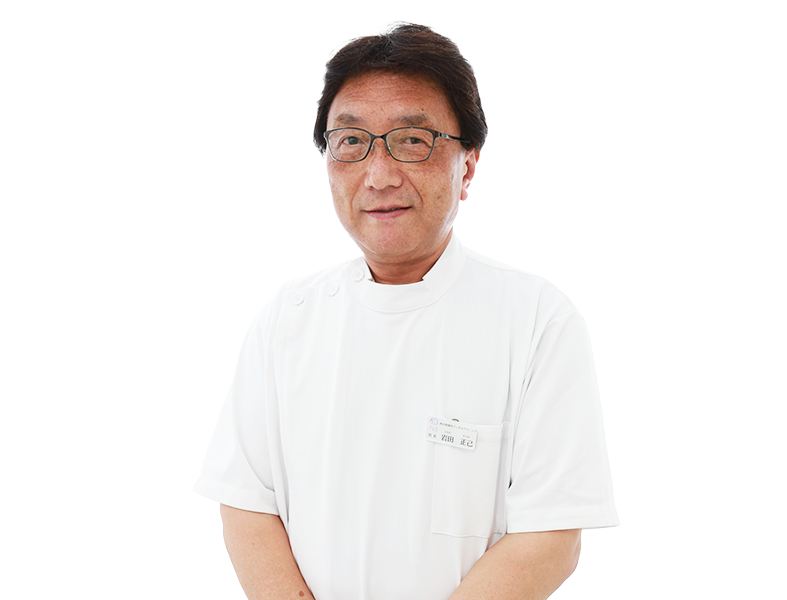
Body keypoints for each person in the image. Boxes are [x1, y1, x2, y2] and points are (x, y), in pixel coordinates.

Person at [194, 23, 619, 600]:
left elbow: (550, 538)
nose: (379, 175)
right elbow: (247, 505)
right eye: (351, 142)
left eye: (412, 141)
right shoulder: (287, 320)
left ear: (468, 164)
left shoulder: (538, 321)